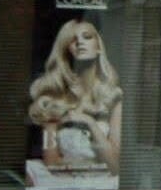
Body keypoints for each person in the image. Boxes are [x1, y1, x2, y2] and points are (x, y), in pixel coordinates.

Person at [28, 19, 124, 176]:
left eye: (87, 36)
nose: (80, 42)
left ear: (99, 47)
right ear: (66, 50)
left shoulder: (113, 96)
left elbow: (114, 166)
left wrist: (90, 122)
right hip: (62, 181)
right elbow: (51, 162)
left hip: (102, 187)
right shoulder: (54, 98)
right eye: (73, 40)